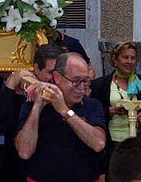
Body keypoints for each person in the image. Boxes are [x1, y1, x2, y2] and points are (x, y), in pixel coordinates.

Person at [15, 52, 106, 182]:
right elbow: (24, 152)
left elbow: (98, 144)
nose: (81, 87)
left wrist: (64, 110)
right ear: (57, 77)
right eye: (75, 81)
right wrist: (37, 108)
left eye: (85, 81)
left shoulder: (92, 105)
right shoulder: (31, 107)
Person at [0, 43, 63, 182]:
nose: (55, 79)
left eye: (59, 73)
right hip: (16, 168)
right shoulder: (18, 92)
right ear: (36, 69)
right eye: (51, 73)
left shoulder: (65, 93)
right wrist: (10, 86)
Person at [91, 41, 141, 144]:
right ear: (115, 60)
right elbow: (92, 112)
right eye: (125, 57)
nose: (129, 62)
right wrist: (109, 111)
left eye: (133, 58)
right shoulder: (100, 85)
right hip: (110, 141)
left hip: (138, 141)